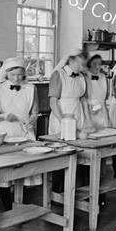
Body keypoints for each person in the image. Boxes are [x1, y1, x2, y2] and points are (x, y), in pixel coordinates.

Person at [0, 57, 42, 211]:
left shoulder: (31, 88)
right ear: (6, 74)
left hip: (25, 131)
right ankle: (7, 206)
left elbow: (35, 111)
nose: (17, 78)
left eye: (20, 75)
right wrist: (3, 115)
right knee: (5, 171)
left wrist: (32, 120)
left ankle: (20, 205)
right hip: (5, 132)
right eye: (13, 75)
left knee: (23, 169)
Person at [48, 49, 89, 192]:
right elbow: (53, 102)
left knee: (81, 153)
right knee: (61, 154)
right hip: (61, 116)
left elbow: (84, 99)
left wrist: (88, 120)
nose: (82, 67)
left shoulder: (82, 77)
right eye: (80, 64)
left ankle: (76, 190)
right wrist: (63, 122)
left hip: (78, 114)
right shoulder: (58, 75)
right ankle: (56, 191)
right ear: (70, 60)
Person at [83, 53, 111, 130]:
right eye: (94, 64)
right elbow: (83, 99)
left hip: (102, 111)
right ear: (89, 64)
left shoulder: (103, 77)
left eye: (99, 64)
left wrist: (107, 117)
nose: (97, 66)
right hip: (88, 112)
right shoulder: (84, 77)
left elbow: (105, 97)